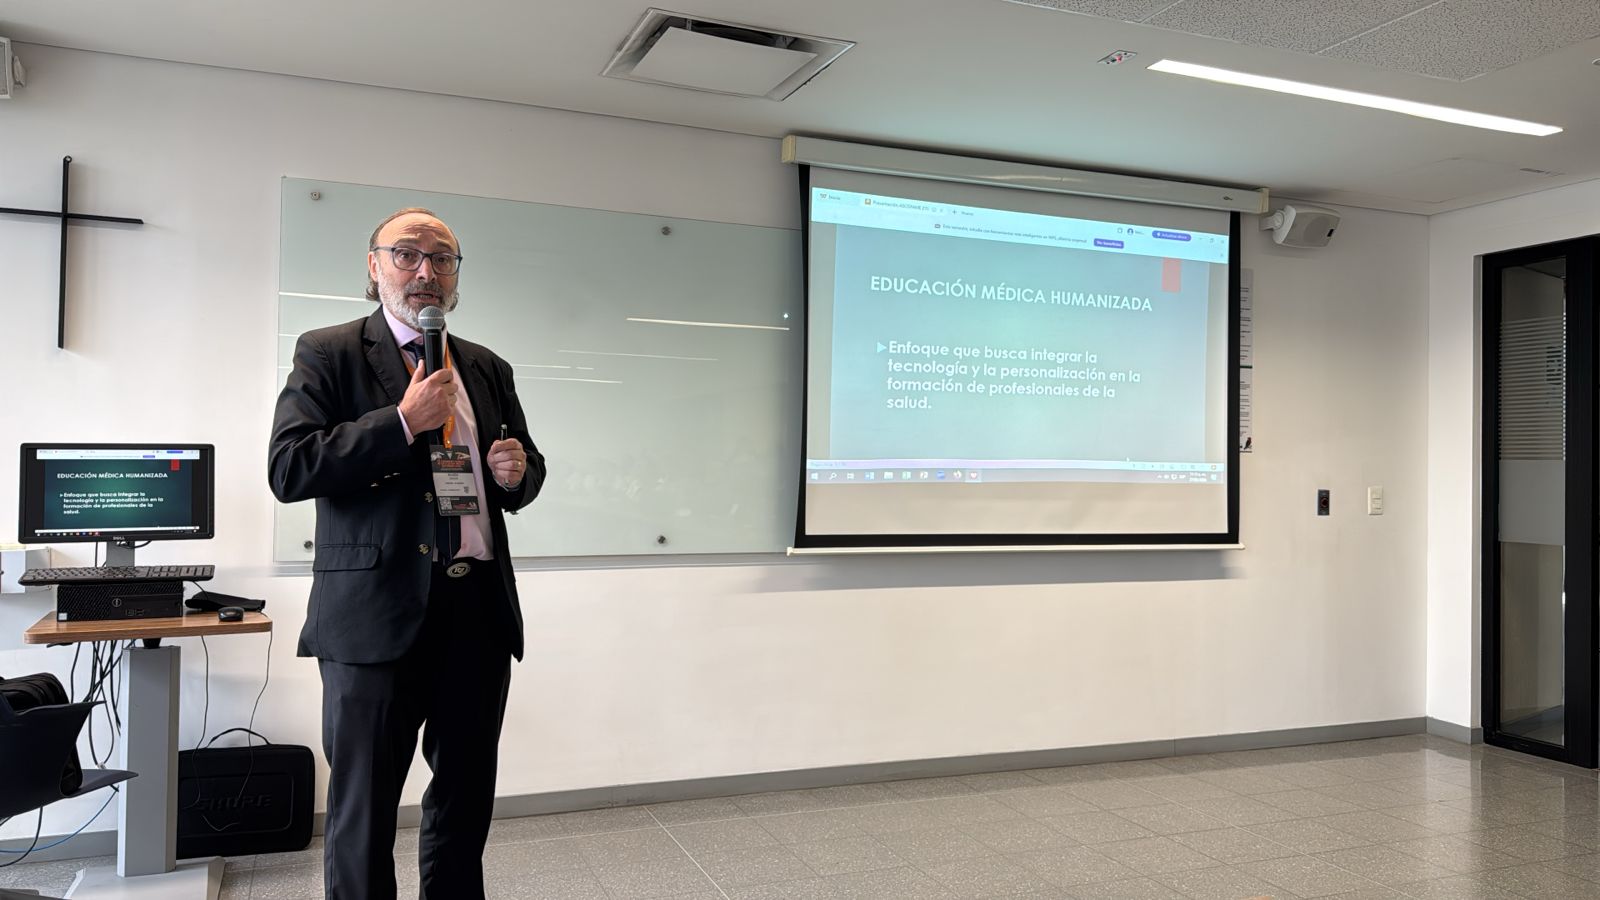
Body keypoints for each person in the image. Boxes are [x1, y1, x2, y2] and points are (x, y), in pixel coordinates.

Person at [268, 208, 544, 900]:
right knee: (363, 812)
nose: (426, 271)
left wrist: (516, 473)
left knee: (464, 802)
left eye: (442, 258)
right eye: (408, 254)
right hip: (374, 615)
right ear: (374, 265)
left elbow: (524, 466)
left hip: (476, 610)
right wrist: (399, 423)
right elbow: (290, 467)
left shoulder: (485, 366)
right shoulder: (329, 352)